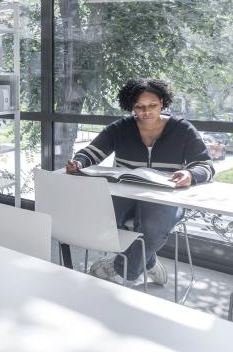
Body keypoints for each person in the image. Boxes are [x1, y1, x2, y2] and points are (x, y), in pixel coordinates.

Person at [66, 78, 214, 285]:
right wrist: (79, 162)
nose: (146, 112)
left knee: (152, 228)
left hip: (165, 196)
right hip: (125, 192)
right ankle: (149, 261)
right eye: (139, 107)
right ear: (131, 107)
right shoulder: (121, 128)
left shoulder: (182, 129)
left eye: (152, 105)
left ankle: (123, 268)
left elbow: (205, 165)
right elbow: (92, 152)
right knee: (103, 218)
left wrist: (190, 174)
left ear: (162, 102)